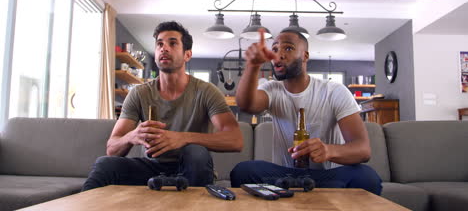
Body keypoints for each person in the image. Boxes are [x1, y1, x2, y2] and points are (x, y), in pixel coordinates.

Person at [83, 21, 243, 190]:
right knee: (105, 164)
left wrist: (183, 137)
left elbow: (235, 140)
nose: (164, 48)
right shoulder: (139, 93)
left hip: (191, 167)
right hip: (152, 168)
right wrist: (131, 136)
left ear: (187, 54)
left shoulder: (206, 91)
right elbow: (112, 149)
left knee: (196, 152)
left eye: (172, 43)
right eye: (160, 44)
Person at [230, 28, 382, 195]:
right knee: (243, 171)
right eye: (274, 49)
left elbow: (362, 149)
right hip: (286, 176)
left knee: (367, 177)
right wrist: (252, 66)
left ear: (305, 56)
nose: (279, 55)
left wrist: (329, 151)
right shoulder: (271, 89)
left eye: (288, 48)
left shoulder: (334, 91)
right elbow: (246, 105)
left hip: (326, 176)